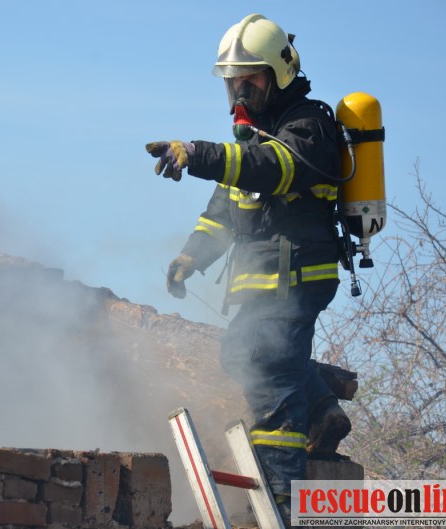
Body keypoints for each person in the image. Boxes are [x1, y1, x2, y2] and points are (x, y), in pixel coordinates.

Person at [145, 13, 351, 526]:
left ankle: (282, 498)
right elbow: (222, 213)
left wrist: (198, 154)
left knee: (268, 369)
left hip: (297, 277)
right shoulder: (254, 139)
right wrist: (191, 256)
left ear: (279, 74)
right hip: (267, 283)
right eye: (233, 81)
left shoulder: (307, 126)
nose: (240, 90)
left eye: (250, 79)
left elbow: (272, 169)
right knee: (240, 352)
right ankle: (323, 411)